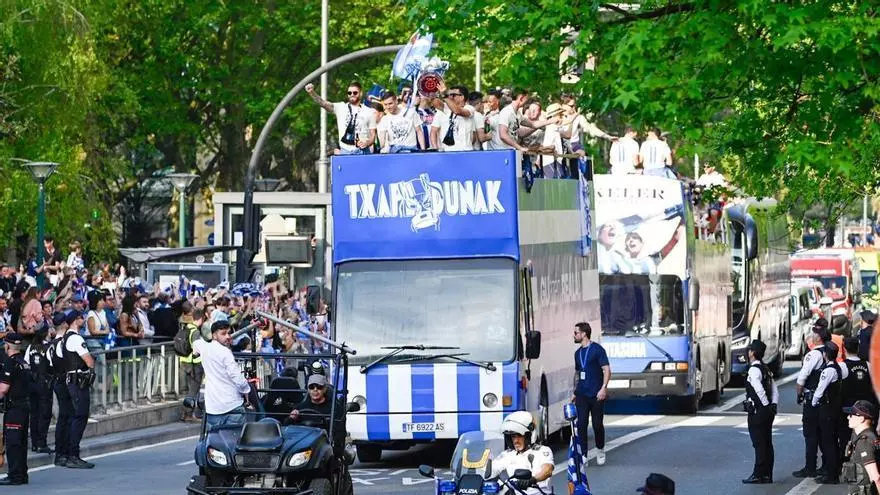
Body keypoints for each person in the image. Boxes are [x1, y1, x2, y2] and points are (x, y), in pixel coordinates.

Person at [192, 320, 252, 429]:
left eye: (228, 333)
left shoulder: (205, 347)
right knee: (234, 441)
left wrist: (195, 352)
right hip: (232, 404)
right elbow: (237, 377)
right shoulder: (225, 353)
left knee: (215, 440)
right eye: (223, 334)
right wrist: (246, 390)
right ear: (214, 335)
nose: (228, 337)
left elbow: (196, 343)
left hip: (213, 406)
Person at [60, 309, 96, 469]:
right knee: (80, 416)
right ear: (76, 320)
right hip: (77, 381)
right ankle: (73, 455)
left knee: (73, 417)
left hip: (70, 380)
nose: (84, 320)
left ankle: (68, 453)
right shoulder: (75, 338)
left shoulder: (64, 338)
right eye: (81, 317)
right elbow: (88, 361)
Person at [571, 321, 611, 466]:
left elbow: (606, 369)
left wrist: (603, 388)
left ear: (584, 334)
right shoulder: (577, 353)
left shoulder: (597, 350)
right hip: (582, 394)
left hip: (596, 394)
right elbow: (577, 373)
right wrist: (575, 391)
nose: (574, 335)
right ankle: (583, 456)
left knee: (597, 424)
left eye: (576, 333)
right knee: (581, 425)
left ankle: (600, 449)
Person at [490, 411, 554, 494]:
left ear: (528, 435)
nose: (516, 441)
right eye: (513, 436)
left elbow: (547, 470)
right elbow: (491, 470)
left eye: (519, 436)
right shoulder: (507, 455)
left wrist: (532, 480)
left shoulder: (542, 451)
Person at [305, 81, 377, 155]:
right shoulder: (341, 107)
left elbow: (373, 135)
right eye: (349, 93)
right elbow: (323, 103)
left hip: (363, 151)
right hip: (345, 151)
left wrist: (367, 143)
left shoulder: (369, 111)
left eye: (355, 93)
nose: (352, 95)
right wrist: (312, 93)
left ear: (360, 93)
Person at [795, 327, 830, 478]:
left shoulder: (813, 354)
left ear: (818, 338)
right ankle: (827, 465)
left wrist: (799, 393)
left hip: (812, 400)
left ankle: (810, 467)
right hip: (826, 401)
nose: (811, 335)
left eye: (814, 333)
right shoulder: (828, 352)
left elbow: (802, 377)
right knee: (824, 434)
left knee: (810, 434)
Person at [742, 340, 778, 484]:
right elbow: (774, 389)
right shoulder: (766, 369)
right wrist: (773, 404)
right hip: (767, 410)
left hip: (758, 412)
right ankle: (767, 474)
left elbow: (759, 390)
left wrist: (765, 406)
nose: (748, 352)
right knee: (767, 443)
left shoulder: (753, 370)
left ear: (753, 353)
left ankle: (758, 474)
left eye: (750, 350)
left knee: (759, 444)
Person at [812, 341, 848, 483]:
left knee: (828, 442)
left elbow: (819, 391)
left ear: (825, 355)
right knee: (834, 441)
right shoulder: (841, 369)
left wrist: (814, 403)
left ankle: (831, 475)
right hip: (837, 409)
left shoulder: (828, 371)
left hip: (827, 410)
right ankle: (834, 471)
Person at [0, 333, 32, 485]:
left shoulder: (10, 362)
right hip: (24, 406)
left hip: (14, 408)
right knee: (21, 442)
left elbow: (3, 388)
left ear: (7, 345)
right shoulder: (24, 362)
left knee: (13, 443)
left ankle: (15, 476)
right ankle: (22, 474)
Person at [840, 337, 875, 465]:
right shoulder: (868, 365)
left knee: (845, 436)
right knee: (865, 435)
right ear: (858, 348)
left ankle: (847, 462)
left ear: (844, 349)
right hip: (866, 408)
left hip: (848, 408)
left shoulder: (842, 366)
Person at [287, 374, 345, 449]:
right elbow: (288, 429)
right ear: (308, 389)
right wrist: (291, 418)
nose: (315, 389)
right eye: (311, 387)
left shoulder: (335, 408)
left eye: (319, 387)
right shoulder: (300, 407)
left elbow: (339, 432)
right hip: (303, 447)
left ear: (324, 389)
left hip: (325, 446)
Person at [24, 324, 54, 454]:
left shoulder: (31, 347)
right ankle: (42, 443)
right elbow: (53, 364)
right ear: (46, 333)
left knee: (34, 413)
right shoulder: (48, 347)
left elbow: (26, 363)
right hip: (44, 381)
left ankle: (35, 443)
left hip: (32, 381)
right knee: (44, 413)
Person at [841, 400, 880, 494]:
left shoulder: (864, 442)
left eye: (851, 415)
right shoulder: (863, 437)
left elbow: (875, 477)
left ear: (861, 418)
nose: (848, 417)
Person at [179, 301, 203, 422]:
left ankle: (187, 413)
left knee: (190, 389)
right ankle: (188, 414)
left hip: (184, 362)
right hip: (194, 363)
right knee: (193, 390)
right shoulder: (196, 332)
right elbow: (196, 349)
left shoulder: (186, 327)